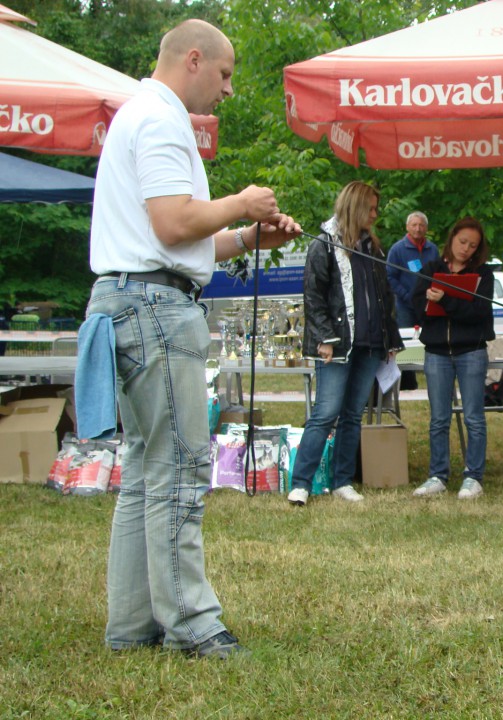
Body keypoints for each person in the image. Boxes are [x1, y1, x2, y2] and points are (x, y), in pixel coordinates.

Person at [85, 20, 301, 658]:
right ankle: (193, 624)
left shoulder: (139, 115)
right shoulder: (160, 118)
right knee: (178, 467)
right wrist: (242, 202)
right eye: (227, 74)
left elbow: (176, 241)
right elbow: (174, 222)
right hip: (154, 308)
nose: (228, 90)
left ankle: (130, 627)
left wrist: (250, 239)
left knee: (147, 468)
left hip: (129, 299)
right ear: (194, 59)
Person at [287, 181, 404, 507]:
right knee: (325, 413)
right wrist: (324, 338)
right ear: (355, 206)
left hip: (370, 345)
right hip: (337, 345)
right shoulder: (323, 244)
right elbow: (313, 296)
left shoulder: (374, 248)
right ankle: (300, 483)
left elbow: (386, 297)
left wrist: (390, 338)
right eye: (371, 207)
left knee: (353, 414)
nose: (375, 214)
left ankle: (341, 481)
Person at [410, 217, 495, 500]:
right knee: (439, 418)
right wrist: (431, 304)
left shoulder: (483, 274)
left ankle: (473, 477)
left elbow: (479, 314)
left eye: (473, 245)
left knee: (474, 417)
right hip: (436, 351)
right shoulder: (431, 268)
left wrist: (445, 301)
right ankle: (437, 475)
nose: (466, 249)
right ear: (452, 238)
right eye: (462, 242)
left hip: (471, 350)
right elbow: (415, 303)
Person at [386, 211, 440, 328]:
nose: (418, 229)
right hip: (405, 307)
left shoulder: (433, 249)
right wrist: (406, 296)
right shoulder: (397, 250)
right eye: (414, 225)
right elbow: (390, 277)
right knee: (407, 340)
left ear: (426, 228)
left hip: (428, 305)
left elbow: (438, 275)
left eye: (421, 225)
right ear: (407, 227)